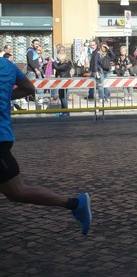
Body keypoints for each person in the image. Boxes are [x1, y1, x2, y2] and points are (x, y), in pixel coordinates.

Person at [0, 55, 92, 234]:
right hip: (4, 135)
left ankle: (74, 203)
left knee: (17, 191)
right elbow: (29, 88)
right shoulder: (8, 66)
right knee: (14, 192)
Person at [52, 44, 73, 117]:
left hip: (64, 81)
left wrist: (53, 62)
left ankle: (66, 112)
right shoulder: (62, 63)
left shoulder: (66, 64)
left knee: (64, 97)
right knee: (61, 96)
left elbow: (58, 68)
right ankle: (63, 111)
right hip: (60, 80)